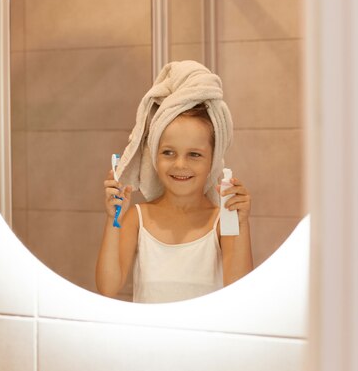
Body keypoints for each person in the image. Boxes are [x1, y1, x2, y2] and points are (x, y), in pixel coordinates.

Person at [95, 61, 253, 303]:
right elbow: (108, 287)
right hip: (149, 341)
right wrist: (112, 219)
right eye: (168, 152)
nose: (180, 165)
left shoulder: (222, 222)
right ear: (154, 156)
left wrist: (241, 223)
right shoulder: (137, 218)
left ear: (213, 160)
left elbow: (240, 291)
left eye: (194, 154)